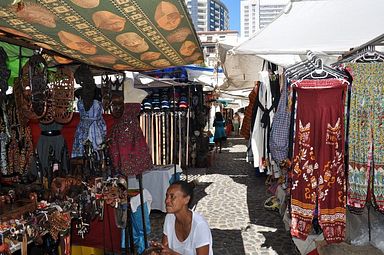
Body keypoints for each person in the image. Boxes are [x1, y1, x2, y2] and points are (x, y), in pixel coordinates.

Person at [148, 181, 213, 255]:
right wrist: (158, 250)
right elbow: (165, 247)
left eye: (172, 197)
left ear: (186, 199)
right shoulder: (170, 217)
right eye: (167, 196)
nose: (167, 201)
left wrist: (172, 253)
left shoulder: (199, 225)